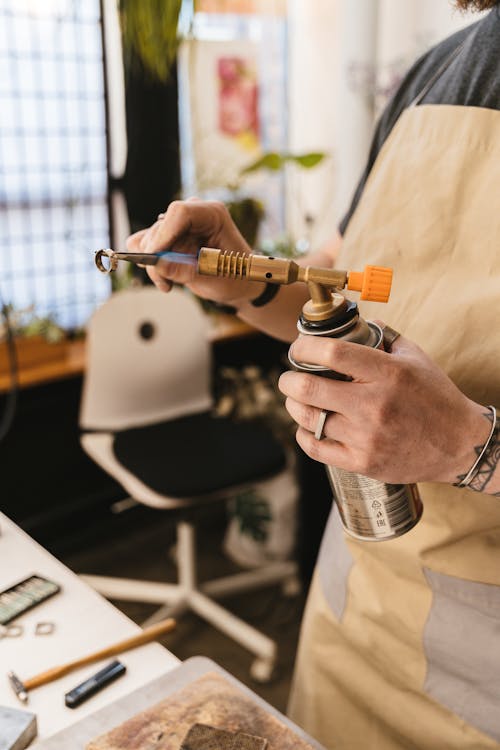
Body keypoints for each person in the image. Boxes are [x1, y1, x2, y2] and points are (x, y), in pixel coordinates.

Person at [126, 1, 500, 747]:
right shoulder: (438, 73)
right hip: (353, 628)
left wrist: (471, 448)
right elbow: (333, 288)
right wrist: (245, 280)